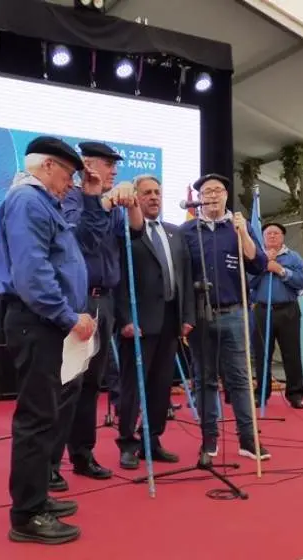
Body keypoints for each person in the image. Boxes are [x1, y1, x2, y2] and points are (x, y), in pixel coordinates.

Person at [0, 136, 109, 545]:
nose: (71, 183)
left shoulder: (46, 203)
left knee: (48, 414)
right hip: (39, 321)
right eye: (68, 174)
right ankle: (26, 515)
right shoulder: (28, 201)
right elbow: (32, 272)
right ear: (46, 167)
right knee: (37, 418)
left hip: (48, 323)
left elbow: (83, 246)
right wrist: (66, 315)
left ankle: (38, 497)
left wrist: (93, 200)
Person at [52, 141, 142, 489]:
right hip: (77, 301)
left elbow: (134, 231)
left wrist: (129, 199)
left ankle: (82, 453)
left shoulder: (114, 205)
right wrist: (101, 201)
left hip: (105, 302)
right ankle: (49, 462)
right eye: (107, 164)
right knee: (68, 384)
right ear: (87, 165)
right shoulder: (68, 198)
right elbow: (77, 242)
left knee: (91, 385)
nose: (114, 170)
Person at [180, 173, 269, 460]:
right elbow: (181, 276)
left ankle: (247, 440)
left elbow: (258, 264)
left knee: (240, 380)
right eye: (207, 191)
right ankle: (209, 440)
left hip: (235, 313)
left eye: (219, 190)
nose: (214, 195)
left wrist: (243, 232)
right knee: (204, 380)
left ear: (226, 196)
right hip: (201, 316)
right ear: (199, 198)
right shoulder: (188, 231)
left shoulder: (238, 226)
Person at [113, 175, 194, 469]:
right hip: (138, 322)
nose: (153, 197)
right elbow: (118, 279)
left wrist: (187, 316)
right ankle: (127, 443)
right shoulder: (124, 232)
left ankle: (152, 440)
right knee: (133, 386)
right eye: (146, 193)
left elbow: (184, 277)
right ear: (135, 196)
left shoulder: (175, 233)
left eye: (157, 192)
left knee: (160, 387)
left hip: (170, 322)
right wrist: (124, 319)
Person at [251, 221, 303, 409]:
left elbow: (301, 282)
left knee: (292, 354)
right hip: (262, 310)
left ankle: (295, 395)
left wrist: (281, 271)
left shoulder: (294, 257)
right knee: (262, 355)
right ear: (263, 238)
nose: (272, 236)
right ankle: (261, 394)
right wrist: (263, 265)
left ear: (283, 237)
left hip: (288, 310)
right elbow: (248, 282)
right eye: (268, 234)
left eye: (276, 233)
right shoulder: (255, 257)